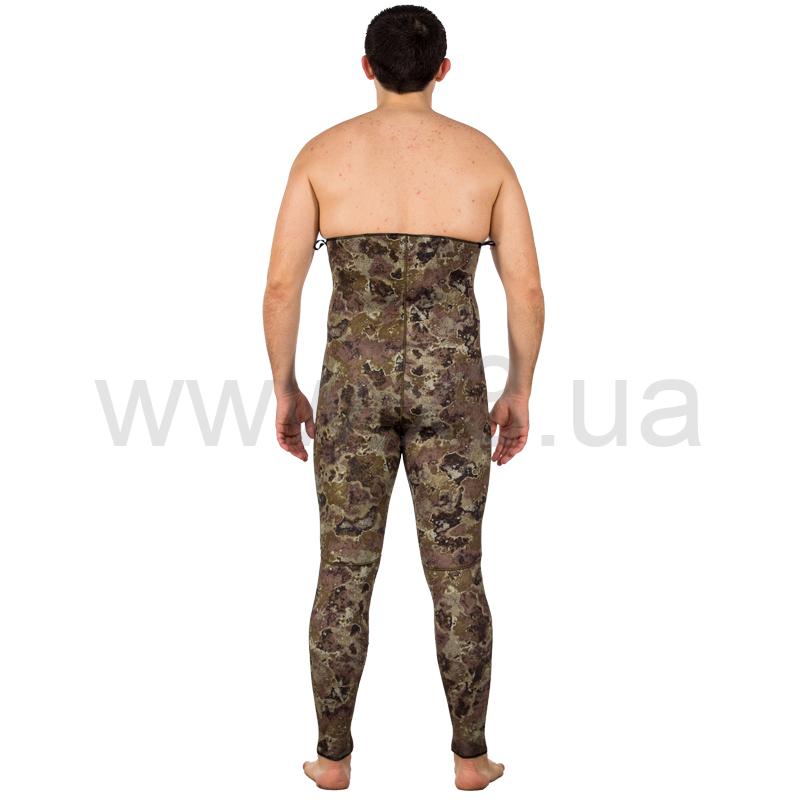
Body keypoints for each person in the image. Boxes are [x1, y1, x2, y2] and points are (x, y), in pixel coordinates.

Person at [262, 5, 544, 791]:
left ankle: (332, 759)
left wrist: (285, 386)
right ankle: (470, 759)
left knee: (343, 573)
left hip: (351, 394)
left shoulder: (323, 155)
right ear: (443, 70)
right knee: (458, 575)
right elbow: (525, 288)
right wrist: (520, 389)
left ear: (367, 66)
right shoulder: (484, 159)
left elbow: (282, 285)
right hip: (452, 392)